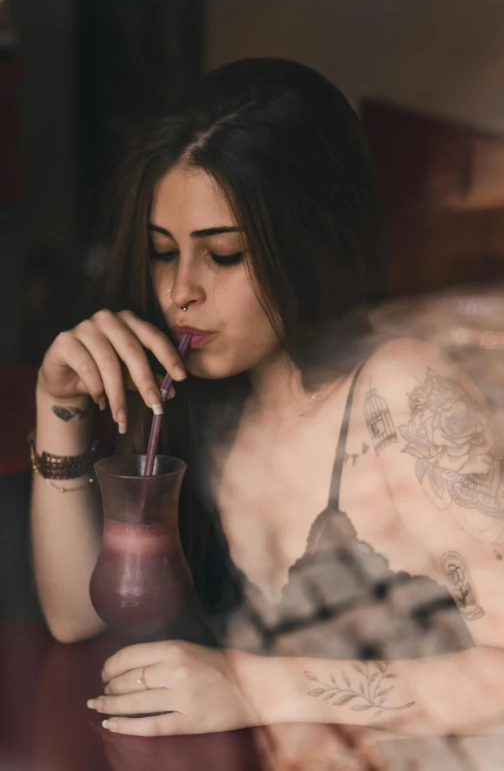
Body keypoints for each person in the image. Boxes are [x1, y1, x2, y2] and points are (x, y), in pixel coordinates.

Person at [30, 58, 504, 753]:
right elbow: (76, 614)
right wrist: (58, 405)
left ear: (306, 246)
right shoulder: (194, 403)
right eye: (164, 254)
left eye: (223, 255)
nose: (181, 291)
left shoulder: (400, 394)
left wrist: (250, 684)